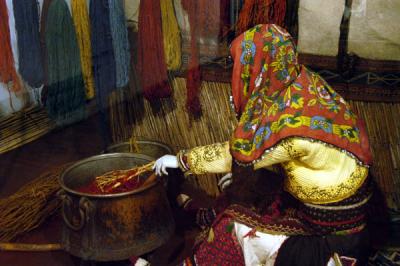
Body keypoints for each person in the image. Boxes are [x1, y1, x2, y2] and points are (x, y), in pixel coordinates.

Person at [153, 24, 373, 266]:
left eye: (242, 67)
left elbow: (234, 155)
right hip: (342, 211)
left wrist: (181, 160)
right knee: (245, 184)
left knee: (232, 225)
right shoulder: (304, 83)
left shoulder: (289, 128)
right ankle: (206, 216)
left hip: (329, 240)